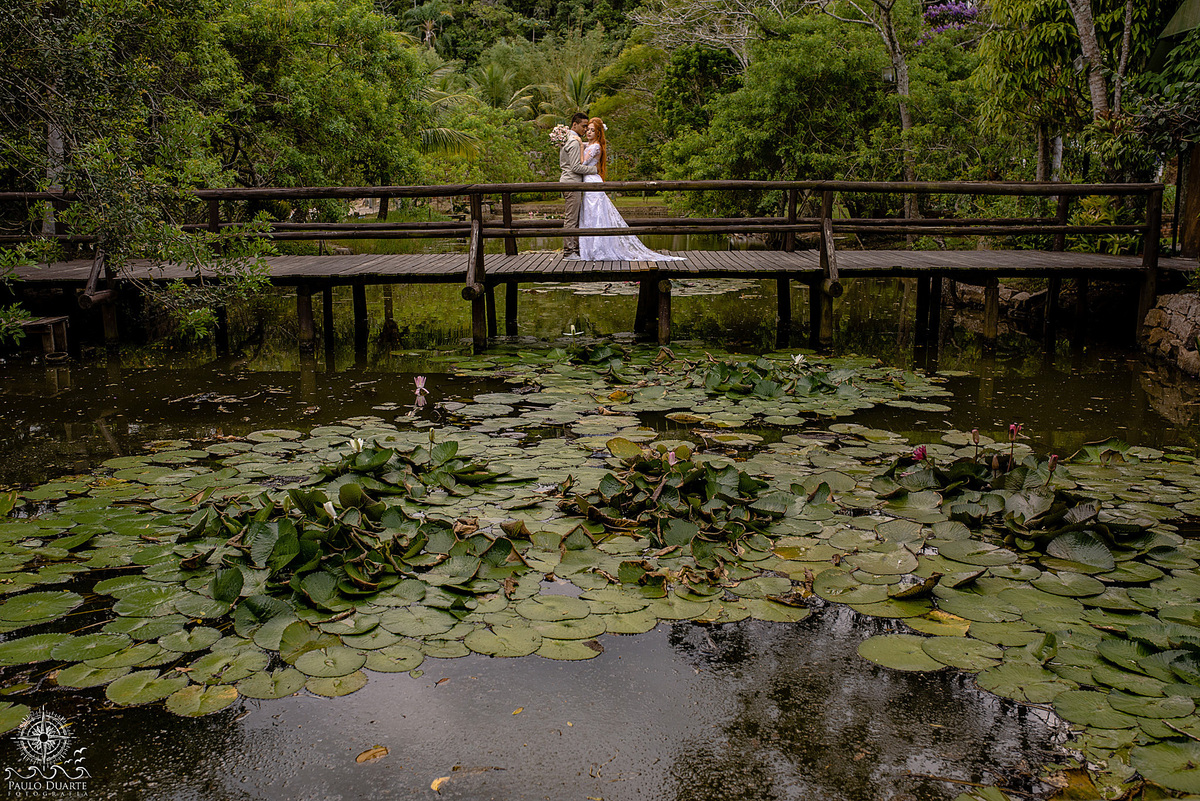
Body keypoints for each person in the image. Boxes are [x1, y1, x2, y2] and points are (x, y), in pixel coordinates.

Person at [579, 117, 684, 262]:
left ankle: (598, 249)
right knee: (589, 215)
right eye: (588, 129)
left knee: (596, 215)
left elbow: (582, 162)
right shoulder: (587, 144)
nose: (589, 132)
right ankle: (588, 250)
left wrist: (578, 146)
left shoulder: (596, 146)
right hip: (586, 181)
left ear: (598, 133)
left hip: (592, 182)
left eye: (593, 130)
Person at [558, 113, 595, 260]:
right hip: (572, 182)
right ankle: (569, 251)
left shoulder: (570, 139)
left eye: (587, 126)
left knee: (574, 217)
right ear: (575, 125)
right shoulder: (573, 142)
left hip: (570, 181)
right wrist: (594, 170)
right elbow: (575, 167)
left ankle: (575, 248)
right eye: (583, 126)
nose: (586, 129)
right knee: (571, 218)